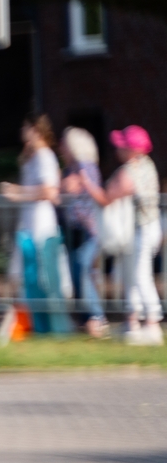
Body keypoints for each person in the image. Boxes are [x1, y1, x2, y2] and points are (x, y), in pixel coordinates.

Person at [76, 125, 161, 344]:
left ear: (133, 149)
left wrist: (87, 184)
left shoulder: (129, 172)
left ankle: (152, 325)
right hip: (145, 228)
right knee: (131, 275)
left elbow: (106, 199)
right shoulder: (147, 164)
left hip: (141, 229)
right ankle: (132, 323)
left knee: (140, 276)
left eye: (122, 146)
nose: (118, 149)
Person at [0, 115, 71, 335]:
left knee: (46, 277)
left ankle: (55, 326)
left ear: (35, 130)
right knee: (30, 277)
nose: (22, 131)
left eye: (26, 127)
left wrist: (18, 192)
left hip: (42, 225)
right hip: (30, 224)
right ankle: (38, 325)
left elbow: (49, 191)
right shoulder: (33, 155)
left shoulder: (45, 156)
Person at [59, 127, 108, 336]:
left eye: (64, 144)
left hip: (89, 229)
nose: (61, 148)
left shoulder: (85, 166)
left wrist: (69, 184)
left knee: (84, 269)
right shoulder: (70, 168)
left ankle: (97, 317)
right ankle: (85, 317)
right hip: (73, 229)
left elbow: (71, 188)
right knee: (76, 271)